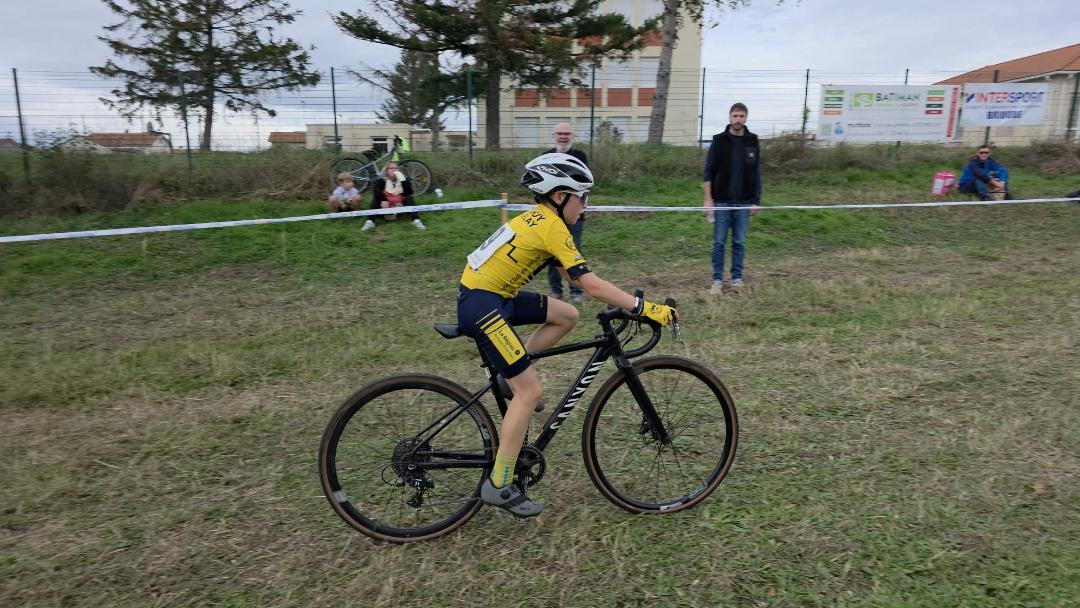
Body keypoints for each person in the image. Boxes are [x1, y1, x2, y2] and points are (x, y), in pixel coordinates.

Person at [457, 152, 677, 517]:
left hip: (490, 296)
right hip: (483, 305)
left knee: (566, 315)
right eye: (582, 197)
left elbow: (576, 279)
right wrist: (644, 308)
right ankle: (500, 483)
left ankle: (507, 380)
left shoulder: (542, 220)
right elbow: (592, 285)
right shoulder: (552, 227)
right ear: (560, 196)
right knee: (530, 392)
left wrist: (622, 300)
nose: (586, 206)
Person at [703, 102, 762, 295]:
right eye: (735, 116)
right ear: (729, 117)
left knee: (739, 243)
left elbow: (756, 173)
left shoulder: (753, 140)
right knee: (719, 242)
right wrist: (708, 200)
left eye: (741, 116)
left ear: (746, 118)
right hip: (721, 202)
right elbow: (708, 172)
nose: (738, 120)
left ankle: (737, 279)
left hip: (743, 202)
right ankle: (717, 281)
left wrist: (755, 200)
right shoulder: (718, 140)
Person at [544, 122, 589, 304]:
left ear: (573, 136)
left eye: (567, 133)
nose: (563, 136)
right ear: (554, 135)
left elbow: (582, 181)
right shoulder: (545, 157)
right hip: (552, 213)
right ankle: (556, 291)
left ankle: (576, 291)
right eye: (560, 133)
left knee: (573, 252)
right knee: (552, 252)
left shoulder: (580, 156)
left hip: (574, 214)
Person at [362, 161, 425, 231]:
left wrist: (403, 181)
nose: (394, 170)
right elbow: (376, 191)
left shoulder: (403, 178)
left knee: (409, 198)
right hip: (386, 206)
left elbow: (409, 192)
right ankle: (370, 221)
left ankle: (416, 220)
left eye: (395, 168)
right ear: (387, 170)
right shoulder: (382, 179)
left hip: (399, 205)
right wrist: (383, 199)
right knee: (376, 198)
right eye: (391, 168)